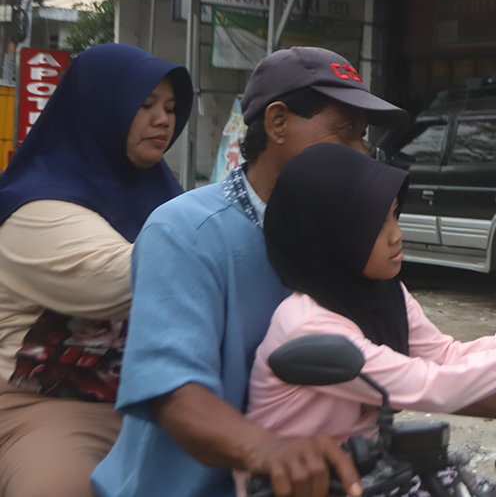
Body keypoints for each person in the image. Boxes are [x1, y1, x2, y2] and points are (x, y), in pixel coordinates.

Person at [92, 47, 412, 497]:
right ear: (278, 122)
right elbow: (175, 394)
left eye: (365, 138)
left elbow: (422, 356)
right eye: (346, 135)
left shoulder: (343, 236)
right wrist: (267, 449)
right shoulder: (184, 233)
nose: (361, 154)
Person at [247, 143, 496, 494]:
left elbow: (446, 357)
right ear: (328, 236)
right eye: (376, 225)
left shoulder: (379, 293)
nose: (397, 236)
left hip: (365, 471)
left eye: (394, 216)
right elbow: (432, 386)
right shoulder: (309, 323)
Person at [0, 43, 191, 497]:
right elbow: (121, 278)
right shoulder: (37, 205)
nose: (162, 119)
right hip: (44, 406)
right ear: (100, 109)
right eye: (144, 105)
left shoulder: (164, 194)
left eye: (169, 107)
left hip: (164, 404)